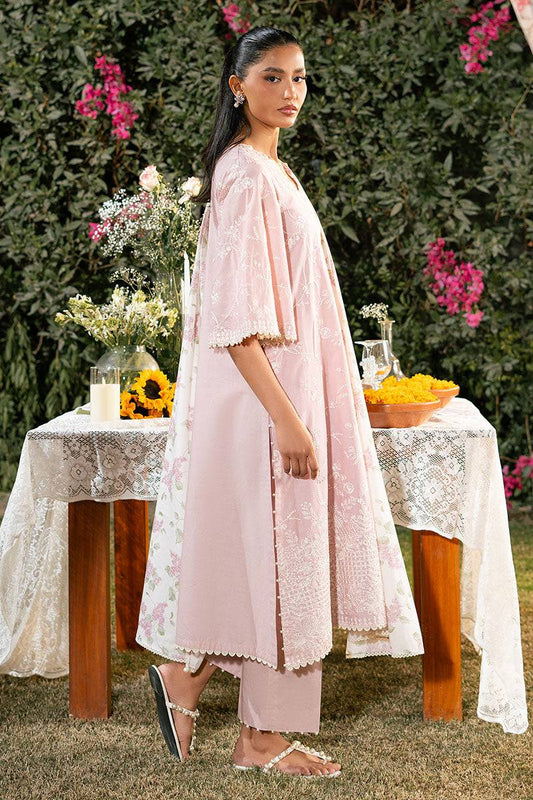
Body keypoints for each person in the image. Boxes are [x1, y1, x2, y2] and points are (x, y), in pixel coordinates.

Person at [136, 26, 423, 779]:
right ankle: (260, 737)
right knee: (281, 558)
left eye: (299, 78)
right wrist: (289, 421)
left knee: (268, 559)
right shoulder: (246, 176)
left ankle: (189, 680)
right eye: (272, 76)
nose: (290, 91)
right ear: (237, 87)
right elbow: (235, 321)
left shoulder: (269, 171)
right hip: (269, 405)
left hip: (283, 398)